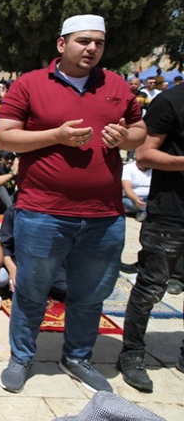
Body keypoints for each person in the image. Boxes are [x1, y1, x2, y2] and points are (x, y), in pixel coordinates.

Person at [0, 14, 146, 394]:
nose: (92, 48)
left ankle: (77, 356)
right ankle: (22, 356)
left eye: (98, 42)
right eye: (83, 41)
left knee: (91, 292)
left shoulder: (115, 85)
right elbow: (5, 137)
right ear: (62, 44)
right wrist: (56, 137)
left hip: (103, 215)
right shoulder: (30, 84)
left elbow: (140, 131)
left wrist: (125, 138)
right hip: (43, 211)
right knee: (32, 288)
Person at [118, 82, 184, 393]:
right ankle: (132, 353)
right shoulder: (170, 101)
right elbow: (144, 155)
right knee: (150, 288)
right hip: (171, 214)